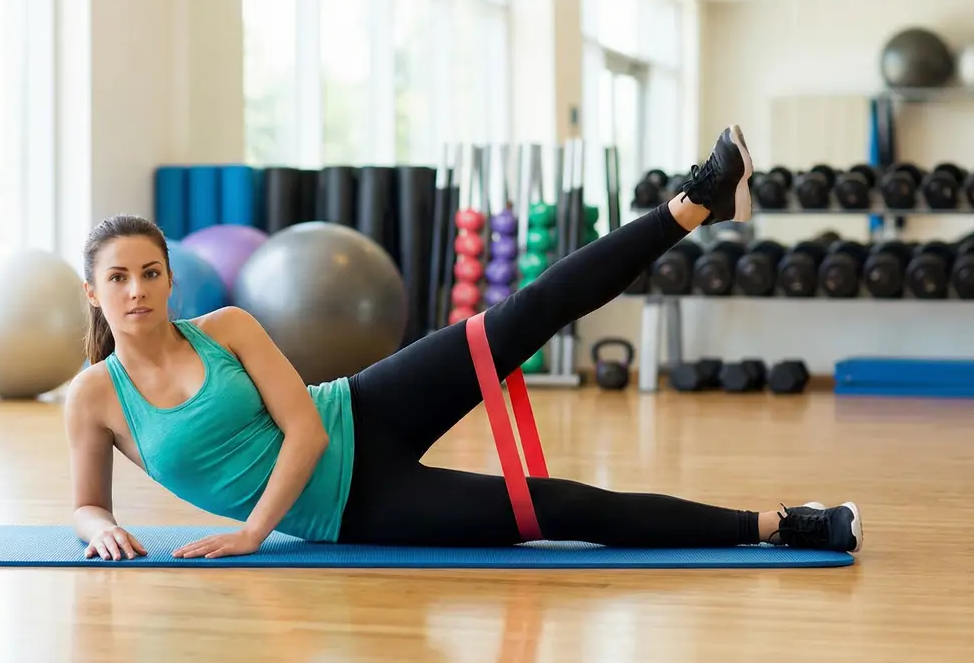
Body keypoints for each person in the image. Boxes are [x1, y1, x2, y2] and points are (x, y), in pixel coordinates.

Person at [65, 125, 863, 561]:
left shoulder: (226, 330)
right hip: (352, 509)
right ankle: (782, 524)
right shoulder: (95, 396)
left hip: (358, 412)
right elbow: (86, 502)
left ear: (171, 277)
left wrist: (249, 533)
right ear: (94, 291)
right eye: (119, 279)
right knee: (554, 507)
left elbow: (304, 428)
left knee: (523, 313)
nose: (137, 290)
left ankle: (696, 203)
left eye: (151, 272)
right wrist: (95, 524)